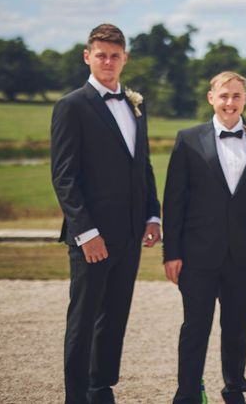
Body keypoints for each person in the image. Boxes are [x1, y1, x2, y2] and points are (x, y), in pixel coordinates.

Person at [50, 23, 161, 404]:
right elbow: (64, 177)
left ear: (125, 58)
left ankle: (101, 388)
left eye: (115, 55)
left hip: (131, 233)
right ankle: (76, 396)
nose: (109, 61)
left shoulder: (136, 104)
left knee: (115, 316)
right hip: (92, 238)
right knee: (83, 319)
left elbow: (141, 164)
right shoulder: (71, 106)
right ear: (88, 57)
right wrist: (86, 233)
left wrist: (152, 215)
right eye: (101, 55)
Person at [162, 71, 246, 404]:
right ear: (211, 97)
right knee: (194, 328)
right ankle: (187, 392)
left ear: (245, 99)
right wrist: (172, 252)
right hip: (197, 254)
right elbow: (174, 199)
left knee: (237, 329)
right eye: (223, 95)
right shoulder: (188, 139)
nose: (230, 102)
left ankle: (234, 389)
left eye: (236, 96)